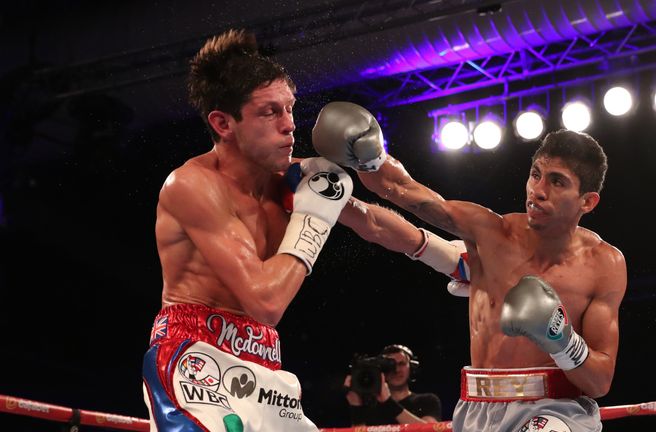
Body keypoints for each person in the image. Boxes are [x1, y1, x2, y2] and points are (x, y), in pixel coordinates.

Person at [140, 30, 443, 432]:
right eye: (270, 112)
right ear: (222, 122)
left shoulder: (291, 176)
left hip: (263, 359)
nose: (290, 126)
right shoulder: (192, 186)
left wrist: (448, 257)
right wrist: (313, 219)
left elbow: (369, 220)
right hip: (196, 355)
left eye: (290, 109)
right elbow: (265, 300)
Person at [311, 102, 628, 432]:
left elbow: (599, 381)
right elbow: (402, 190)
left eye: (557, 182)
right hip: (477, 409)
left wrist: (561, 340)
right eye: (536, 175)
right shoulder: (492, 235)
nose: (538, 192)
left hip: (556, 411)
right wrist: (369, 156)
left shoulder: (603, 264)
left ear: (587, 201)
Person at [344, 344, 442, 426]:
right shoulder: (370, 408)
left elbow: (431, 430)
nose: (396, 370)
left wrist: (388, 403)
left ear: (412, 368)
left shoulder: (428, 401)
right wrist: (355, 407)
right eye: (390, 365)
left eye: (401, 364)